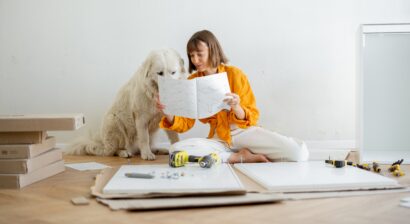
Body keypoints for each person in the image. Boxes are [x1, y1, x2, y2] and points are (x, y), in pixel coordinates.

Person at [156, 30, 309, 163]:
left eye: (199, 54)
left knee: (298, 153)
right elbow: (185, 122)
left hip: (244, 132)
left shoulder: (235, 75)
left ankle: (227, 156)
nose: (195, 60)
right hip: (219, 138)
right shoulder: (192, 81)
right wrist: (168, 114)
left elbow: (252, 116)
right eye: (192, 56)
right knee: (175, 150)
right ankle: (235, 157)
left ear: (212, 50)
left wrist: (236, 106)